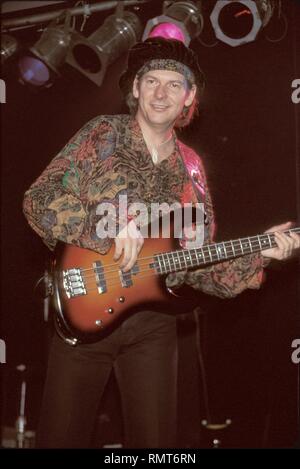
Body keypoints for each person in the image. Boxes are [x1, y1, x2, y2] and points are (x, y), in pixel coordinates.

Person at [23, 37, 300, 448]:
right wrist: (107, 227)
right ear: (135, 88)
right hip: (84, 306)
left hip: (154, 325)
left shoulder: (192, 167)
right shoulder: (102, 134)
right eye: (151, 80)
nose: (161, 93)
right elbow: (38, 199)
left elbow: (196, 263)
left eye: (174, 84)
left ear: (189, 97)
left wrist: (260, 252)